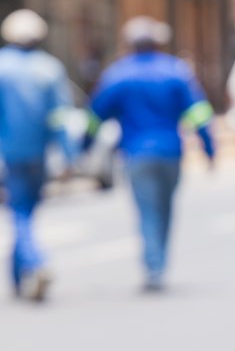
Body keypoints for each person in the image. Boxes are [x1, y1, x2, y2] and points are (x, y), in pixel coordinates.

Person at [87, 16, 215, 292]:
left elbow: (95, 114)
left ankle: (153, 266)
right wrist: (209, 149)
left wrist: (83, 147)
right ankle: (159, 263)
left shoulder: (118, 74)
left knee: (147, 211)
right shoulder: (176, 71)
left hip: (137, 156)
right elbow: (199, 114)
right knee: (164, 209)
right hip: (171, 153)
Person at [0, 9, 74, 302]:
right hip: (39, 155)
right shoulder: (50, 68)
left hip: (11, 154)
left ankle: (34, 263)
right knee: (26, 212)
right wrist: (68, 156)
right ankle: (20, 278)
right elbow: (59, 118)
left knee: (19, 214)